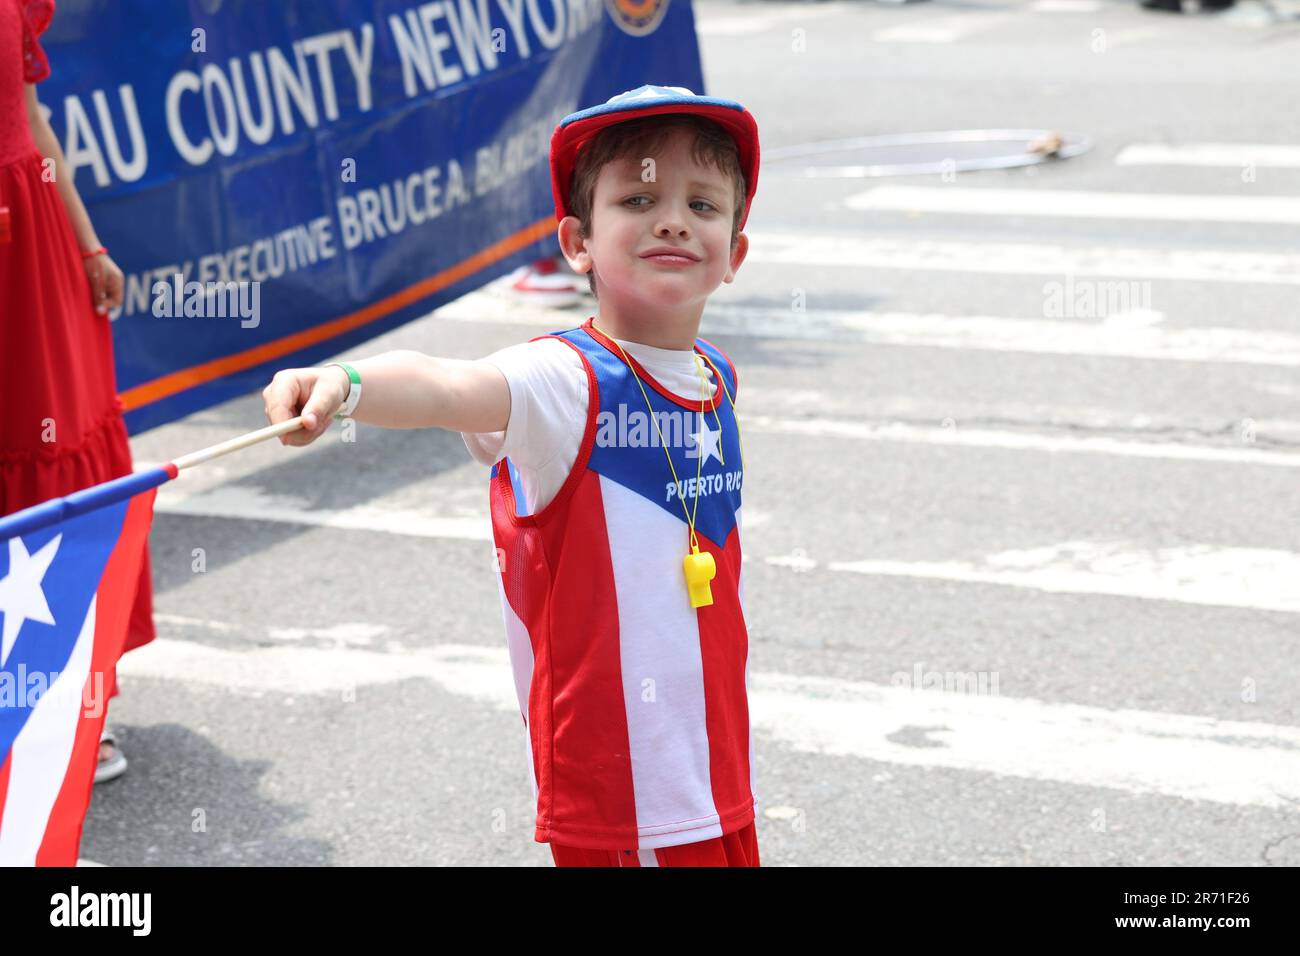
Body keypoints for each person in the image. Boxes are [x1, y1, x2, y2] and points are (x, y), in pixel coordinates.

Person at [263, 85, 760, 867]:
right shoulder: (562, 380)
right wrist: (346, 383)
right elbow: (444, 385)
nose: (672, 218)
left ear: (734, 252)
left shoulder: (715, 375)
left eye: (703, 203)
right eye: (637, 196)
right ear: (577, 242)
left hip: (714, 763)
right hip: (621, 792)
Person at [0, 0, 156, 783]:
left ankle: (66, 703)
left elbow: (34, 122)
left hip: (31, 242)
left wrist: (89, 241)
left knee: (56, 442)